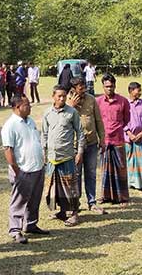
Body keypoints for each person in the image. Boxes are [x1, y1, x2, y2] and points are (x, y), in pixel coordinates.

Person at [2, 95, 49, 244]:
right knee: (19, 201)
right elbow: (8, 150)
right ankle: (15, 230)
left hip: (37, 167)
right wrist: (16, 170)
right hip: (23, 170)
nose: (30, 107)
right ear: (17, 107)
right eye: (26, 105)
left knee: (35, 198)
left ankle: (30, 224)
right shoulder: (10, 125)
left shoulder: (30, 121)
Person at [42, 85, 84, 226]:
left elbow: (80, 132)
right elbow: (44, 134)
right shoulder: (47, 113)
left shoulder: (72, 112)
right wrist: (44, 152)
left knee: (70, 186)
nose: (62, 98)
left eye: (64, 96)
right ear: (53, 96)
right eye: (59, 96)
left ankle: (74, 214)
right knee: (55, 187)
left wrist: (80, 151)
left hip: (67, 156)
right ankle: (61, 211)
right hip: (52, 158)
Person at [65, 77, 107, 214]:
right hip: (75, 146)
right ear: (73, 89)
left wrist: (102, 138)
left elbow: (98, 120)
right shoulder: (65, 101)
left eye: (84, 87)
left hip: (91, 142)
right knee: (75, 175)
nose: (84, 90)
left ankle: (92, 202)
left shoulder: (91, 99)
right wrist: (70, 107)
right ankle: (75, 203)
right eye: (81, 88)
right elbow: (62, 121)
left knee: (91, 173)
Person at [95, 74, 131, 204]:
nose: (109, 89)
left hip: (118, 140)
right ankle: (105, 196)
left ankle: (122, 197)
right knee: (105, 170)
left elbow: (127, 119)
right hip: (104, 141)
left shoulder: (123, 101)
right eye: (106, 86)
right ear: (103, 87)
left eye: (111, 86)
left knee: (120, 170)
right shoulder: (98, 101)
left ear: (115, 86)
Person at [124, 82, 142, 193]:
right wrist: (129, 134)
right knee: (130, 161)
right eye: (138, 90)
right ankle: (132, 183)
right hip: (129, 138)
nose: (140, 93)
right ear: (131, 91)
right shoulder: (125, 104)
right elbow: (121, 120)